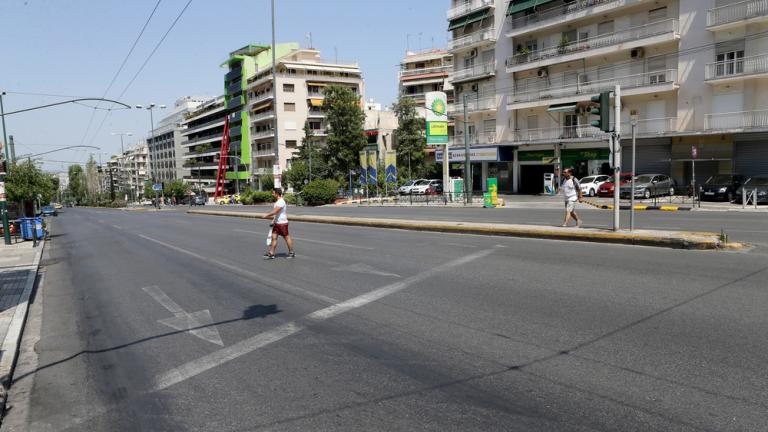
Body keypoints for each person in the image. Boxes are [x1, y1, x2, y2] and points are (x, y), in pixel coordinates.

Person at [262, 188, 295, 259]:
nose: (272, 194)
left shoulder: (281, 202)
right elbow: (277, 214)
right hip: (277, 223)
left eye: (273, 193)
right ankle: (271, 253)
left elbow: (274, 211)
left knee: (286, 237)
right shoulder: (277, 201)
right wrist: (273, 220)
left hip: (282, 223)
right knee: (274, 238)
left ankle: (291, 252)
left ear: (277, 194)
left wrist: (266, 215)